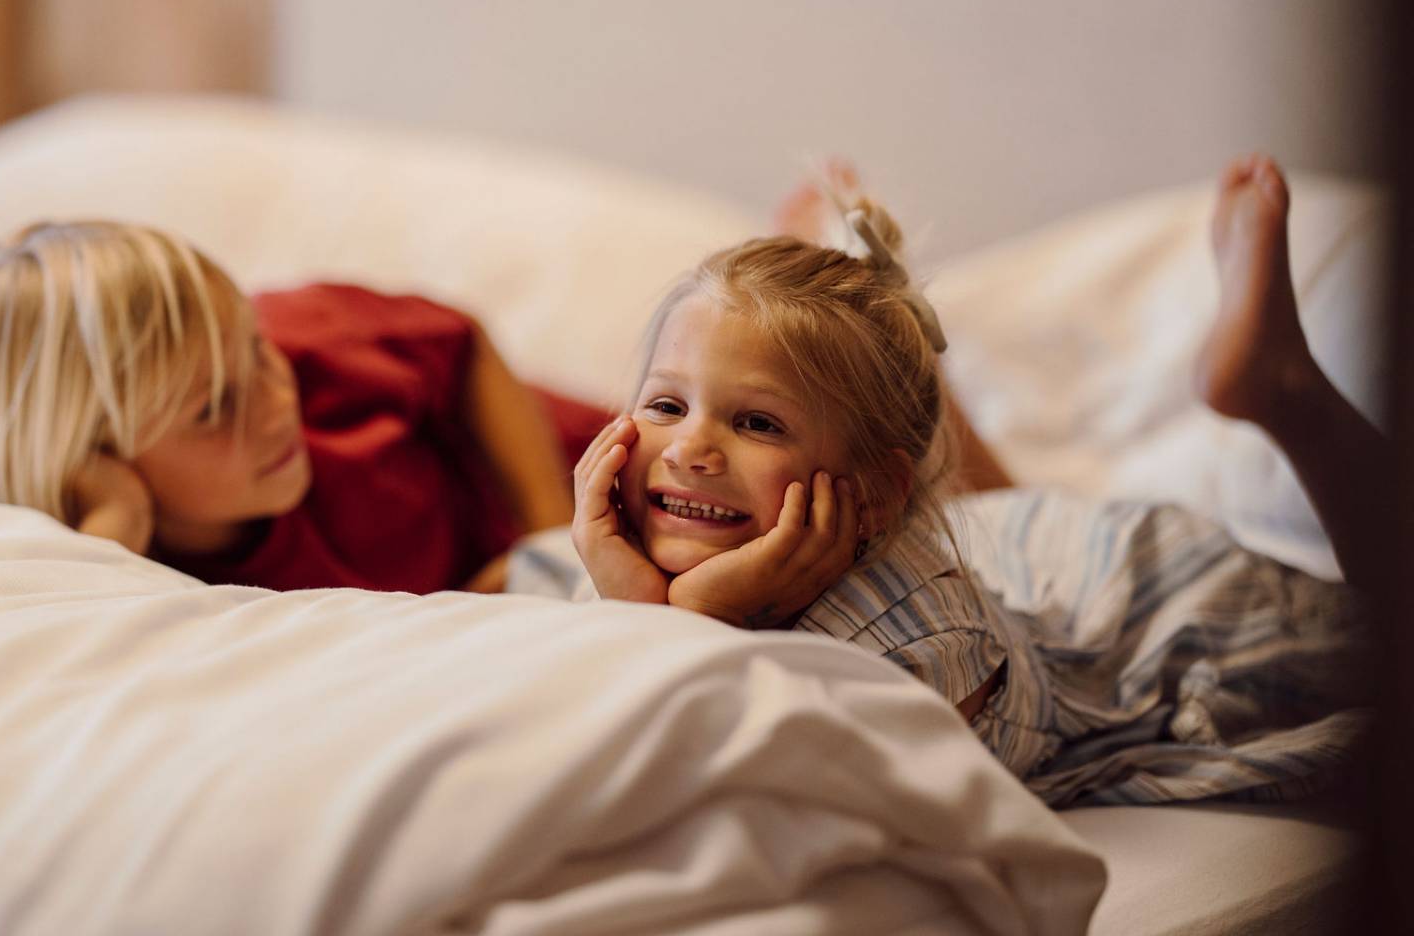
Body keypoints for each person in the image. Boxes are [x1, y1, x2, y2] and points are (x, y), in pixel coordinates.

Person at [546, 154, 1375, 805]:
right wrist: (641, 602)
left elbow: (771, 791)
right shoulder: (632, 562)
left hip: (1155, 607)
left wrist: (700, 616)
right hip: (1029, 549)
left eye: (757, 423)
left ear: (872, 497)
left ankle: (1288, 393)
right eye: (665, 404)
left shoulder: (921, 646)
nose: (690, 449)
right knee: (987, 500)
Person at [0, 221, 607, 594]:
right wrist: (115, 520)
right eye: (213, 409)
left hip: (587, 477)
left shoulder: (312, 342)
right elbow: (63, 632)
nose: (275, 402)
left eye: (255, 349)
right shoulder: (118, 568)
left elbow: (464, 344)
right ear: (91, 463)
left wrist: (547, 542)